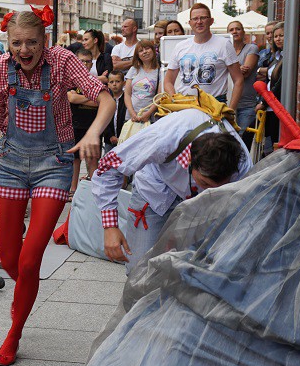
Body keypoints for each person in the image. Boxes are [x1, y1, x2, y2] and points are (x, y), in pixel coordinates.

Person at [0, 8, 114, 366]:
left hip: (53, 166)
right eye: (17, 43)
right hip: (11, 164)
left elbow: (105, 97)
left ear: (44, 39)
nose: (24, 50)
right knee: (11, 259)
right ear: (8, 43)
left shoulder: (62, 60)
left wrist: (92, 133)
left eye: (32, 42)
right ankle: (26, 288)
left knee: (29, 261)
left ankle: (14, 331)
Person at [93, 110, 252, 274]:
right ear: (190, 161)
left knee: (193, 269)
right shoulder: (165, 136)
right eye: (204, 183)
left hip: (203, 208)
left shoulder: (243, 165)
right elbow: (109, 166)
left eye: (218, 187)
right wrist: (110, 227)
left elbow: (249, 209)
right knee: (140, 269)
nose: (209, 190)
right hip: (155, 190)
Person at [164, 3, 244, 108]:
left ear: (211, 21)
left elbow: (238, 80)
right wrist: (175, 99)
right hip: (184, 105)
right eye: (195, 19)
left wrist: (231, 110)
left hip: (214, 107)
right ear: (190, 23)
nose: (199, 22)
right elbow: (168, 81)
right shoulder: (180, 46)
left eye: (203, 18)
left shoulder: (224, 44)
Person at [68, 49, 101, 196]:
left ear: (92, 63)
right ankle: (73, 190)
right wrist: (90, 98)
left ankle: (95, 190)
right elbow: (71, 99)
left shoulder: (94, 80)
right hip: (75, 123)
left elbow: (100, 103)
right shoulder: (71, 81)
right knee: (75, 159)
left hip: (92, 125)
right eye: (82, 61)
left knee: (92, 157)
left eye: (88, 61)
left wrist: (81, 98)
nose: (85, 64)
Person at [228, 20, 260, 145]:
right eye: (231, 30)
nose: (234, 31)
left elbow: (245, 74)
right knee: (228, 140)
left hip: (246, 104)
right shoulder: (226, 51)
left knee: (242, 141)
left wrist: (229, 69)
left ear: (243, 32)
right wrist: (238, 69)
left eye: (238, 29)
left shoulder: (251, 48)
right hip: (228, 104)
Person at [256, 22, 285, 150]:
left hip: (274, 106)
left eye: (281, 35)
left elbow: (279, 84)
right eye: (275, 36)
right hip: (268, 105)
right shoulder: (276, 57)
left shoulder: (288, 57)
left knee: (273, 143)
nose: (278, 39)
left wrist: (264, 102)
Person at [124, 39, 162, 123]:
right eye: (141, 51)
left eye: (147, 48)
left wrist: (148, 113)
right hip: (131, 117)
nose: (144, 52)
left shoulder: (160, 71)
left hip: (151, 118)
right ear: (137, 55)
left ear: (153, 50)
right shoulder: (133, 69)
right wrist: (132, 113)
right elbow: (127, 94)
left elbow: (159, 96)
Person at [103, 70, 128, 153]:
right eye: (111, 82)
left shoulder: (127, 99)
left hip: (124, 139)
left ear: (124, 83)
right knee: (108, 163)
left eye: (117, 81)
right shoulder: (106, 99)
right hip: (109, 140)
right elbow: (103, 119)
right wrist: (110, 136)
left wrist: (122, 137)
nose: (114, 84)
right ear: (108, 84)